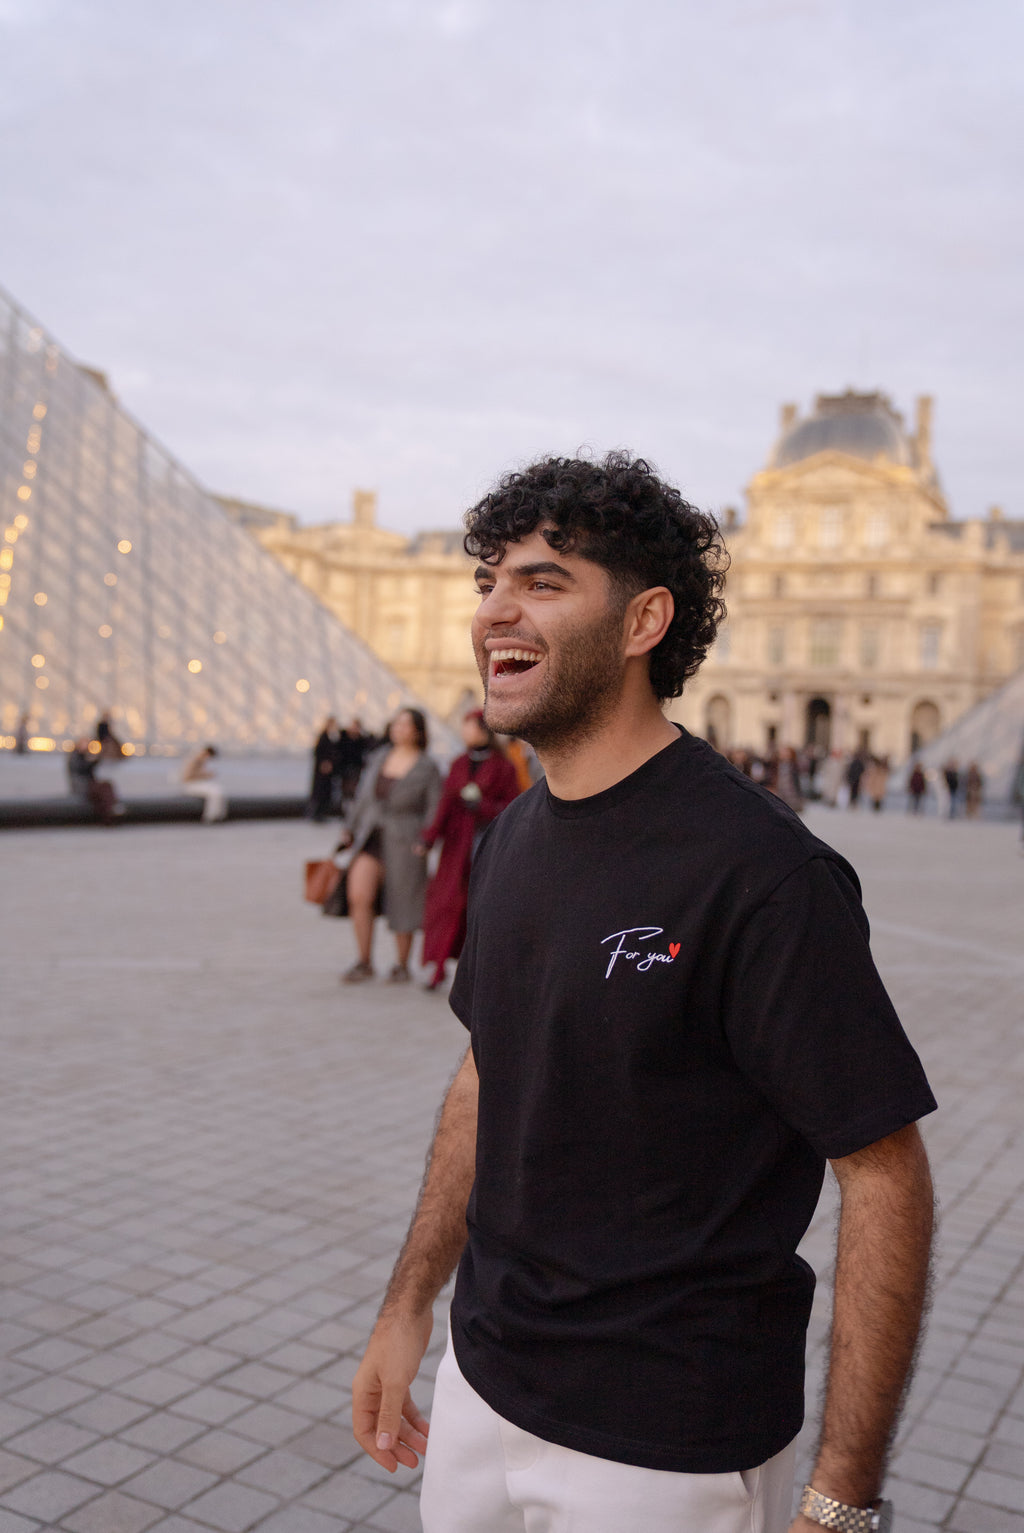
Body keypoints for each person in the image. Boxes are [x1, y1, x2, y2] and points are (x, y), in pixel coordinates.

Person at [352, 453, 936, 1533]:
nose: (493, 612)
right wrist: (408, 1306)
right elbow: (488, 1069)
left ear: (642, 621)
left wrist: (844, 1500)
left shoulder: (761, 873)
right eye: (487, 581)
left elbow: (884, 1173)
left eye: (541, 581)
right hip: (484, 1382)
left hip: (666, 1443)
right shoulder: (513, 836)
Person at [417, 710, 520, 991]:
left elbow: (512, 807)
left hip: (485, 842)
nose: (465, 732)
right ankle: (437, 965)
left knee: (480, 907)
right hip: (456, 846)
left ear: (483, 731)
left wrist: (482, 807)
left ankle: (478, 968)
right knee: (447, 904)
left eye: (469, 727)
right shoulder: (458, 764)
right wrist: (429, 837)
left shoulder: (503, 767)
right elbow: (444, 805)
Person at [338, 708, 441, 984]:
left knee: (404, 899)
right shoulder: (379, 757)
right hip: (372, 835)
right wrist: (349, 827)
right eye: (396, 723)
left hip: (406, 839)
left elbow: (434, 806)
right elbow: (362, 798)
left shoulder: (427, 766)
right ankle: (364, 960)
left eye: (405, 724)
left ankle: (401, 964)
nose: (399, 728)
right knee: (359, 895)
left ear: (418, 731)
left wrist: (427, 839)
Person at [181, 745, 228, 823]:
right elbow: (187, 777)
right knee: (214, 793)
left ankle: (218, 815)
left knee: (218, 790)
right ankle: (210, 817)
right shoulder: (195, 760)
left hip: (194, 784)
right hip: (190, 785)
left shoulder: (200, 760)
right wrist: (206, 775)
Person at [308, 715, 342, 821]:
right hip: (322, 773)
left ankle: (320, 814)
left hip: (326, 774)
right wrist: (324, 763)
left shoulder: (331, 737)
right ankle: (317, 814)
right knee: (320, 794)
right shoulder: (324, 737)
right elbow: (318, 753)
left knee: (325, 794)